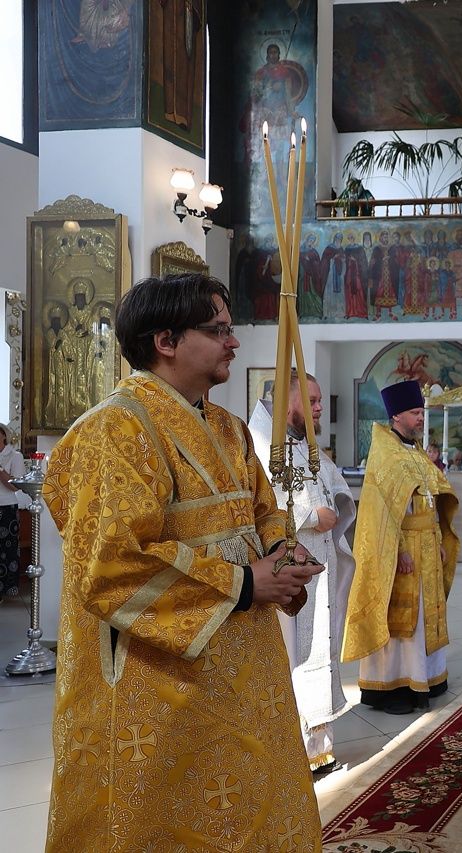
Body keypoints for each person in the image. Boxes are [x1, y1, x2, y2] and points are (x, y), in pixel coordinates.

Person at [42, 274, 323, 848]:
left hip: (244, 659)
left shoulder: (229, 429)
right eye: (218, 330)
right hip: (162, 670)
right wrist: (245, 583)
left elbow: (263, 513)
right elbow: (112, 563)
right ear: (166, 341)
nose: (233, 342)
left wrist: (282, 552)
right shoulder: (114, 430)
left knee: (249, 800)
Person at [248, 371, 356, 773]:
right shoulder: (261, 444)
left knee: (319, 649)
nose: (319, 408)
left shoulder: (304, 444)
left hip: (319, 563)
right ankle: (292, 752)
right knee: (292, 656)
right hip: (286, 569)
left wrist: (336, 504)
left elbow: (331, 483)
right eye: (311, 401)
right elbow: (257, 507)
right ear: (285, 401)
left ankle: (318, 749)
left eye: (319, 400)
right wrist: (312, 516)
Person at [344, 380, 460, 715]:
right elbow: (382, 512)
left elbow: (429, 500)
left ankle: (428, 677)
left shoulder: (416, 451)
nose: (421, 418)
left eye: (421, 411)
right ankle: (394, 685)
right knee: (402, 617)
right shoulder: (386, 453)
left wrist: (437, 538)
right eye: (415, 412)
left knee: (426, 615)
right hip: (401, 548)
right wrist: (398, 551)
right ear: (396, 415)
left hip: (427, 545)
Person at [0, 425, 24, 597]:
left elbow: (15, 486)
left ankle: (7, 589)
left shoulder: (15, 456)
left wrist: (0, 469)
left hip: (7, 507)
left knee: (7, 550)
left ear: (3, 436)